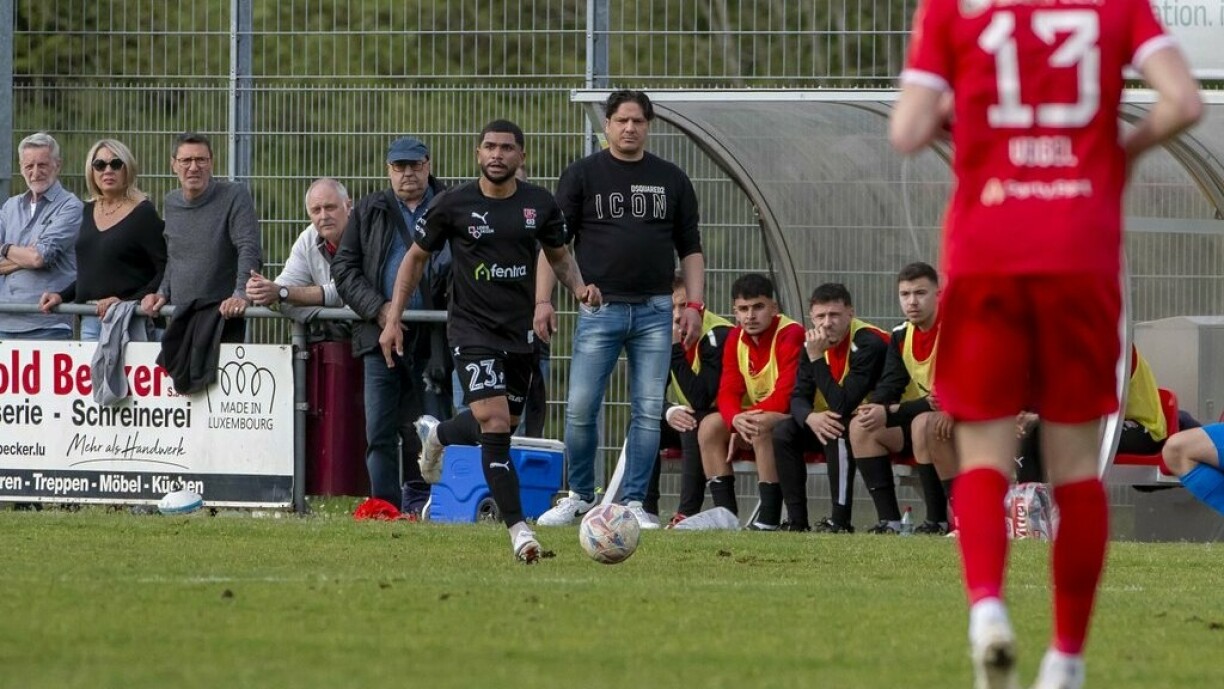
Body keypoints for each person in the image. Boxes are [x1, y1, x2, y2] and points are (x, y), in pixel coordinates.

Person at [891, 1, 1202, 686]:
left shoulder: (953, 11)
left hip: (986, 250)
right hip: (1079, 249)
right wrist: (1119, 152)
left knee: (982, 451)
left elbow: (907, 127)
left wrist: (973, 131)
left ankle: (988, 608)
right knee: (1073, 466)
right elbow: (1183, 100)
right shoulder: (1116, 9)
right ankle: (1065, 656)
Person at [380, 119, 599, 562]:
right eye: (489, 147)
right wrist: (393, 318)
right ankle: (520, 531)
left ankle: (438, 432)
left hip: (519, 335)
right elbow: (415, 260)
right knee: (495, 424)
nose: (497, 154)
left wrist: (578, 288)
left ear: (522, 156)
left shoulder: (539, 204)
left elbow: (558, 255)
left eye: (506, 148)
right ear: (478, 154)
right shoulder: (453, 204)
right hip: (471, 330)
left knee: (501, 424)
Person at [537, 89, 705, 529]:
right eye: (621, 120)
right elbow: (554, 246)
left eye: (638, 121)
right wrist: (545, 299)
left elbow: (691, 248)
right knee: (580, 406)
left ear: (649, 126)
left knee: (648, 409)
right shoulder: (582, 175)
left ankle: (634, 502)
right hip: (600, 309)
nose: (630, 128)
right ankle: (578, 496)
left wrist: (695, 305)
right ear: (606, 125)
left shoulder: (671, 178)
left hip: (654, 312)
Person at [333, 136, 445, 513]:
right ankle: (384, 507)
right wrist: (382, 312)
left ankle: (435, 505)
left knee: (434, 427)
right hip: (380, 337)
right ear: (389, 171)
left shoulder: (450, 206)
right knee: (378, 430)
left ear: (428, 165)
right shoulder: (368, 211)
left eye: (414, 165)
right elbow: (344, 270)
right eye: (400, 167)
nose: (408, 173)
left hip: (436, 338)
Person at [773, 283, 887, 533]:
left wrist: (816, 358)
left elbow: (844, 404)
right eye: (820, 316)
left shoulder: (869, 343)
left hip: (876, 424)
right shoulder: (811, 344)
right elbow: (798, 397)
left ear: (851, 313)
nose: (827, 323)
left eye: (834, 315)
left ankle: (840, 521)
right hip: (828, 420)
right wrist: (810, 418)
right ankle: (796, 521)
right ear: (812, 318)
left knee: (837, 427)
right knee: (783, 431)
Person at [849, 261, 951, 535]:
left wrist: (891, 412)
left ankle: (938, 520)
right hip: (921, 419)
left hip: (960, 423)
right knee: (861, 424)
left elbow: (941, 400)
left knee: (922, 423)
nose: (912, 302)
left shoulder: (955, 329)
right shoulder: (901, 334)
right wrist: (878, 407)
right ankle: (890, 522)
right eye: (905, 295)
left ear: (938, 294)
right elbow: (889, 384)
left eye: (920, 293)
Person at [696, 273, 804, 529]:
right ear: (735, 312)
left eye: (758, 307)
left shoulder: (791, 333)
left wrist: (745, 420)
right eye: (743, 309)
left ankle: (768, 518)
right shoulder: (736, 337)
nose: (750, 316)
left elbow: (786, 394)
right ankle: (726, 516)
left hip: (797, 416)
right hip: (758, 415)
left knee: (760, 424)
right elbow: (728, 390)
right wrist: (735, 419)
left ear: (774, 308)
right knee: (710, 426)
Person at [140, 132, 261, 343]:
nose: (193, 167)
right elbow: (174, 257)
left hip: (223, 317)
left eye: (201, 160)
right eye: (186, 160)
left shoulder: (235, 195)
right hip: (179, 317)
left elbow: (248, 247)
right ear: (173, 165)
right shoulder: (171, 202)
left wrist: (241, 294)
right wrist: (162, 293)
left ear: (211, 163)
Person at [39, 139, 166, 340]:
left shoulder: (144, 213)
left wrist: (126, 301)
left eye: (115, 164)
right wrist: (61, 296)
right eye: (99, 165)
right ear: (92, 171)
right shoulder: (86, 211)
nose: (107, 170)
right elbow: (92, 273)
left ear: (127, 169)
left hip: (133, 320)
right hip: (91, 320)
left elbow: (164, 269)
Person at [659, 272, 732, 526]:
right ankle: (642, 509)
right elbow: (644, 395)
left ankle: (687, 513)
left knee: (692, 421)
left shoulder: (718, 334)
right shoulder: (662, 332)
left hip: (728, 418)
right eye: (671, 307)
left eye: (684, 305)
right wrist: (668, 411)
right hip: (700, 416)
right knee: (646, 422)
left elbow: (701, 397)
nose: (677, 315)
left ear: (699, 305)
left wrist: (675, 350)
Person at [246, 177, 352, 342]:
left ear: (348, 206)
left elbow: (346, 291)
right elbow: (284, 286)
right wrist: (264, 290)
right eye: (316, 210)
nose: (324, 216)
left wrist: (282, 293)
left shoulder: (366, 233)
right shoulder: (308, 238)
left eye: (330, 207)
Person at [0, 132, 83, 340]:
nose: (35, 172)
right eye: (29, 166)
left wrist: (5, 248)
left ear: (58, 165)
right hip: (4, 322)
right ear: (21, 168)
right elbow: (35, 257)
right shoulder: (11, 206)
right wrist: (26, 256)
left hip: (49, 324)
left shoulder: (71, 207)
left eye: (42, 165)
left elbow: (39, 257)